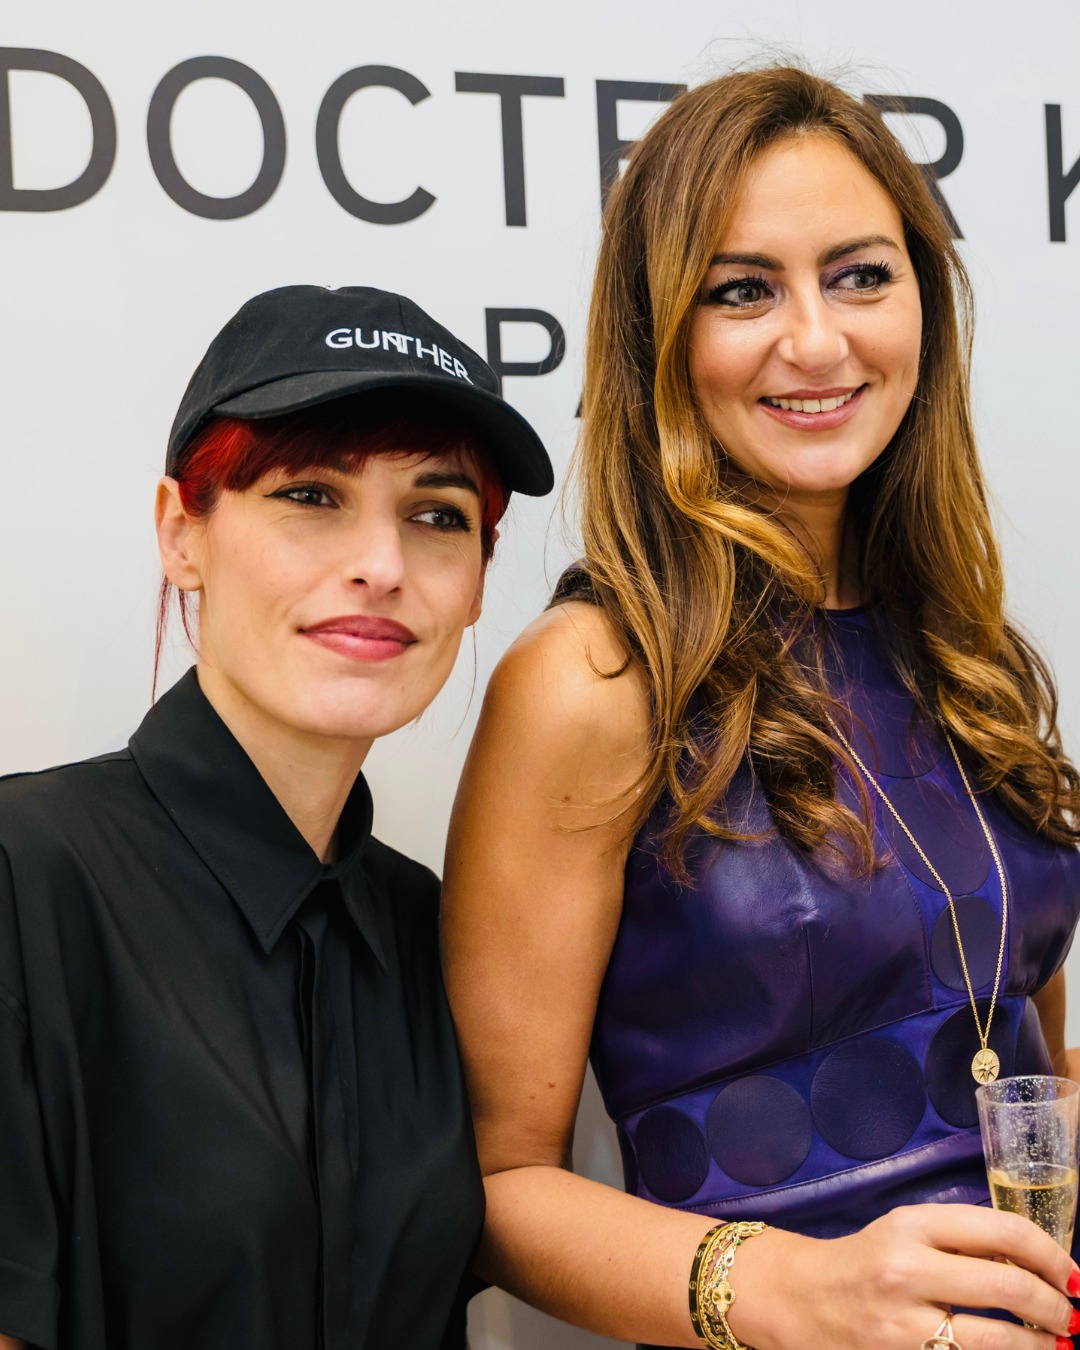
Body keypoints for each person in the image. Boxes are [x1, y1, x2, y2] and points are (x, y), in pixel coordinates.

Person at [442, 66, 1080, 1350]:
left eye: (860, 276)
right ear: (660, 337)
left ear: (923, 302)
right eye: (743, 290)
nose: (818, 341)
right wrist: (794, 1293)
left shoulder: (971, 654)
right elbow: (494, 1186)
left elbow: (1022, 1065)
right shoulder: (591, 680)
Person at [0, 283, 552, 1350]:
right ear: (182, 533)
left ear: (481, 581)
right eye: (310, 495)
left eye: (438, 515)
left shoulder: (429, 929)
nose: (381, 566)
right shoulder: (25, 876)